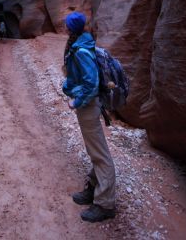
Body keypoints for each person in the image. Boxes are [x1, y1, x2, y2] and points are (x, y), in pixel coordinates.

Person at [62, 11, 116, 223]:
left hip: (88, 106)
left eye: (66, 25)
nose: (64, 27)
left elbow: (91, 84)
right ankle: (94, 188)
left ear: (70, 29)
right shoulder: (80, 44)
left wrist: (76, 101)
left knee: (100, 153)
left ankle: (105, 204)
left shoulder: (81, 50)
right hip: (88, 106)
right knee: (94, 150)